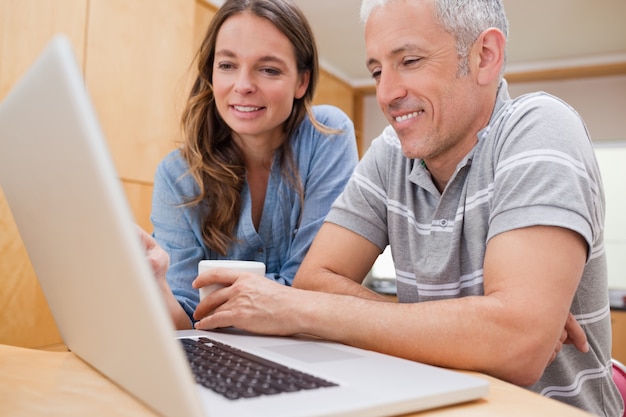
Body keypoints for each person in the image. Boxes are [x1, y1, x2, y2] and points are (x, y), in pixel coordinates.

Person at [147, 0, 622, 415]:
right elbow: (315, 283)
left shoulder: (540, 126)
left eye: (409, 61)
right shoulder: (390, 155)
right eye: (376, 71)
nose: (387, 93)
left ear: (485, 56)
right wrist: (478, 321)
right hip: (437, 400)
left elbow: (517, 347)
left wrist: (506, 327)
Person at [141, 0, 359, 331]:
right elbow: (186, 319)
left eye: (269, 69)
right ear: (211, 73)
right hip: (218, 359)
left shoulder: (326, 136)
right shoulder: (178, 175)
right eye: (227, 65)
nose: (243, 85)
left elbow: (315, 289)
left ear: (301, 82)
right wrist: (156, 281)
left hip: (309, 351)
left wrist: (214, 299)